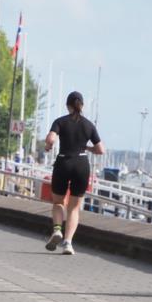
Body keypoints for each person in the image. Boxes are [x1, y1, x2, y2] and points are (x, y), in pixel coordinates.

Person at [43, 91, 105, 255]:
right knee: (74, 207)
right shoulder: (89, 125)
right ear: (82, 105)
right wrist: (87, 148)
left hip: (63, 162)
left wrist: (48, 146)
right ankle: (68, 243)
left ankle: (57, 229)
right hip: (81, 164)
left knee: (58, 202)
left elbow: (50, 139)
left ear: (68, 105)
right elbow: (101, 150)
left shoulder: (60, 122)